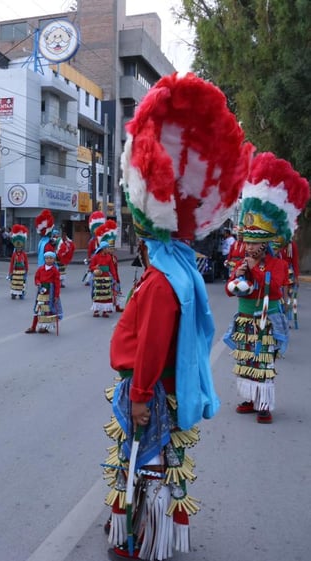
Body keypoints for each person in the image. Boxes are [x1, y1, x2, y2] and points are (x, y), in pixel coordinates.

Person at [103, 72, 251, 561]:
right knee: (162, 465)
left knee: (146, 467)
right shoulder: (178, 267)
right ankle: (151, 538)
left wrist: (141, 396)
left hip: (156, 390)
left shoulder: (165, 279)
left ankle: (140, 543)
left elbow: (151, 343)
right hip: (167, 386)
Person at [224, 152, 309, 424]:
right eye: (247, 242)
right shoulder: (243, 260)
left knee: (263, 362)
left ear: (266, 243)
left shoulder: (276, 264)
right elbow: (231, 289)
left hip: (266, 321)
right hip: (245, 320)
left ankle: (264, 405)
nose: (249, 247)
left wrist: (255, 272)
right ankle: (249, 398)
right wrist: (236, 277)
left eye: (254, 243)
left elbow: (274, 289)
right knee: (246, 360)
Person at [25, 251, 61, 334]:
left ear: (54, 259)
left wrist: (56, 295)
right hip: (41, 293)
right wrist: (38, 283)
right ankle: (33, 327)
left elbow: (57, 283)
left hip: (50, 293)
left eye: (51, 258)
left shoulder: (55, 270)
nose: (49, 260)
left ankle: (45, 327)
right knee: (38, 309)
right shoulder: (41, 269)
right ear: (44, 259)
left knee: (47, 310)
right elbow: (36, 277)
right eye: (47, 258)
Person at [89, 222, 120, 318]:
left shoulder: (109, 258)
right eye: (107, 248)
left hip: (106, 277)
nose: (108, 249)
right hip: (98, 278)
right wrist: (95, 268)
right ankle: (96, 310)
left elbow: (112, 268)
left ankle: (105, 311)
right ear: (103, 248)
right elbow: (91, 267)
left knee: (106, 295)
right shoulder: (95, 257)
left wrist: (114, 278)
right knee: (97, 294)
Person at [84, 211, 106, 285]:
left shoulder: (103, 240)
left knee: (101, 268)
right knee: (91, 268)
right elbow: (89, 250)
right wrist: (89, 257)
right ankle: (87, 280)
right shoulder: (92, 241)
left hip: (101, 256)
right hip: (94, 256)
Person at [8, 225, 29, 300]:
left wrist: (26, 270)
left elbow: (26, 263)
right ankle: (13, 293)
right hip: (15, 270)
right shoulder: (14, 254)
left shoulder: (24, 254)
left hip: (22, 271)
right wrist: (10, 272)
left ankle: (21, 294)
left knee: (21, 283)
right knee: (15, 282)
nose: (19, 249)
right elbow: (11, 263)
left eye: (20, 248)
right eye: (18, 248)